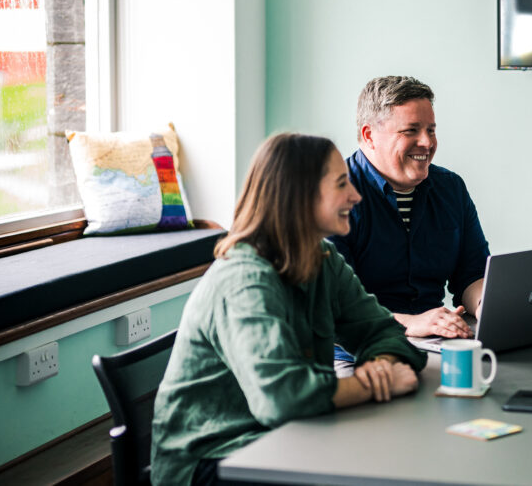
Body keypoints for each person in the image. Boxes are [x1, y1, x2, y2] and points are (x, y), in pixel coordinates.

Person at [151, 133, 427, 486]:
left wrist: (381, 367)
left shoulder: (324, 259)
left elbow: (384, 332)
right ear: (299, 196)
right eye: (342, 184)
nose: (355, 196)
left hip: (287, 436)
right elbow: (281, 400)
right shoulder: (244, 280)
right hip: (215, 460)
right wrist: (373, 385)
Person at [330, 76, 488, 340]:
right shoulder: (331, 196)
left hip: (435, 341)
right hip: (354, 351)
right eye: (411, 131)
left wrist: (487, 306)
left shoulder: (451, 188)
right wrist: (411, 324)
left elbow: (474, 275)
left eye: (431, 130)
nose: (427, 143)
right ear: (370, 136)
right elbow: (334, 305)